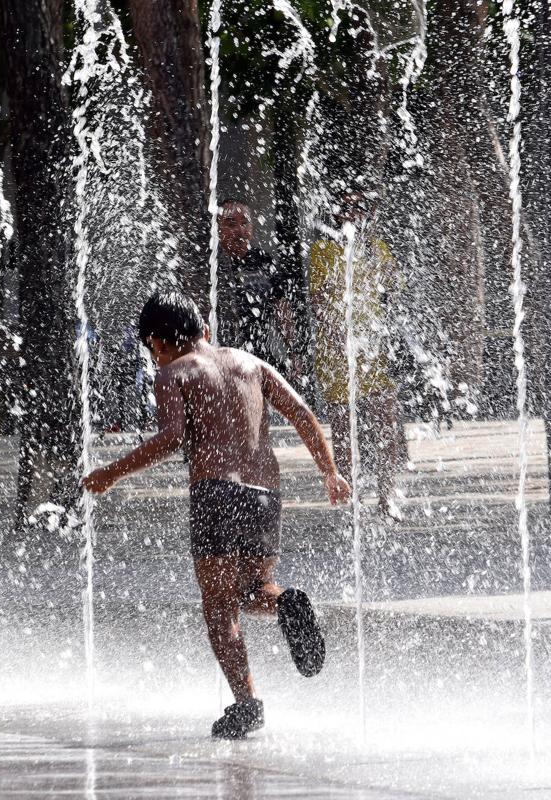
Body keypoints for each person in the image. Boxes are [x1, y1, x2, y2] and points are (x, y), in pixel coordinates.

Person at [83, 290, 350, 739]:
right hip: (267, 493)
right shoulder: (249, 363)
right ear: (202, 330)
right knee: (251, 590)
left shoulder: (174, 372)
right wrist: (331, 472)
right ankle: (284, 602)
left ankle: (246, 704)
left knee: (219, 605)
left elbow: (171, 437)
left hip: (216, 492)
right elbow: (302, 413)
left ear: (156, 342)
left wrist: (111, 472)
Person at [309, 188, 402, 519]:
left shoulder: (376, 249)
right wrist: (337, 334)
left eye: (359, 210)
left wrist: (378, 257)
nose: (354, 216)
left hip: (372, 351)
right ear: (336, 216)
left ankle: (387, 495)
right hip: (336, 353)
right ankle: (349, 497)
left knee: (384, 424)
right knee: (343, 429)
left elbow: (393, 286)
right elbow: (318, 301)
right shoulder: (322, 251)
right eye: (347, 210)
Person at [216, 199, 294, 374]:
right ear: (218, 229)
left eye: (245, 223)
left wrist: (293, 351)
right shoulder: (212, 265)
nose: (240, 230)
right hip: (220, 358)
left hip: (258, 356)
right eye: (231, 224)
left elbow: (281, 307)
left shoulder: (263, 261)